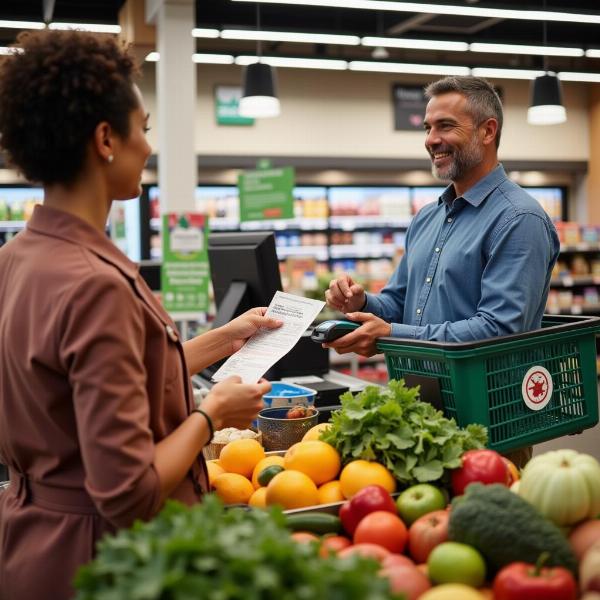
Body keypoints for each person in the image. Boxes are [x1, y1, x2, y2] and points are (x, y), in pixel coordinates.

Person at [0, 30, 281, 599]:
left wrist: (223, 338)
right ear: (106, 138)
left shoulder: (16, 258)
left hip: (33, 542)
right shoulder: (95, 284)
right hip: (108, 562)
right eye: (144, 129)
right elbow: (127, 491)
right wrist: (212, 414)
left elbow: (88, 383)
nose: (148, 147)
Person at [325, 75, 560, 356]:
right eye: (428, 128)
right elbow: (398, 304)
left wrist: (392, 334)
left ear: (487, 132)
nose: (431, 140)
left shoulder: (519, 219)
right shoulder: (427, 217)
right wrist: (362, 304)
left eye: (445, 126)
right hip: (417, 389)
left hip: (485, 394)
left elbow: (500, 329)